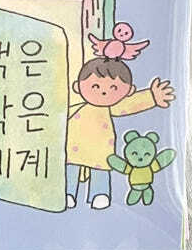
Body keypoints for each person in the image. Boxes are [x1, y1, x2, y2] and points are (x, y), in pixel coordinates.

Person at [65, 57, 174, 209]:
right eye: (95, 86)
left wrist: (152, 97)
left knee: (101, 170)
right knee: (71, 168)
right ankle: (68, 193)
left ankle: (99, 193)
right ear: (77, 87)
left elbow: (129, 105)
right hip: (74, 148)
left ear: (129, 91)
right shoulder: (75, 107)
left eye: (113, 88)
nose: (104, 91)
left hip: (100, 149)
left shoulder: (111, 108)